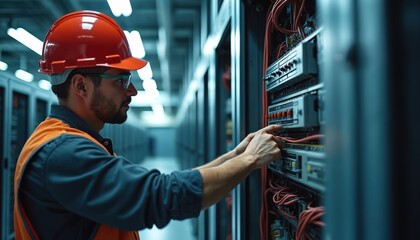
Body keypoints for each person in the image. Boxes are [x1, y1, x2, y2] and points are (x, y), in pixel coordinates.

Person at [14, 10, 283, 240]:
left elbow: (162, 184)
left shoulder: (70, 142)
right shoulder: (65, 153)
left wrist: (235, 155)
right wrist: (250, 160)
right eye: (120, 80)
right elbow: (162, 194)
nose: (132, 91)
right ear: (81, 85)